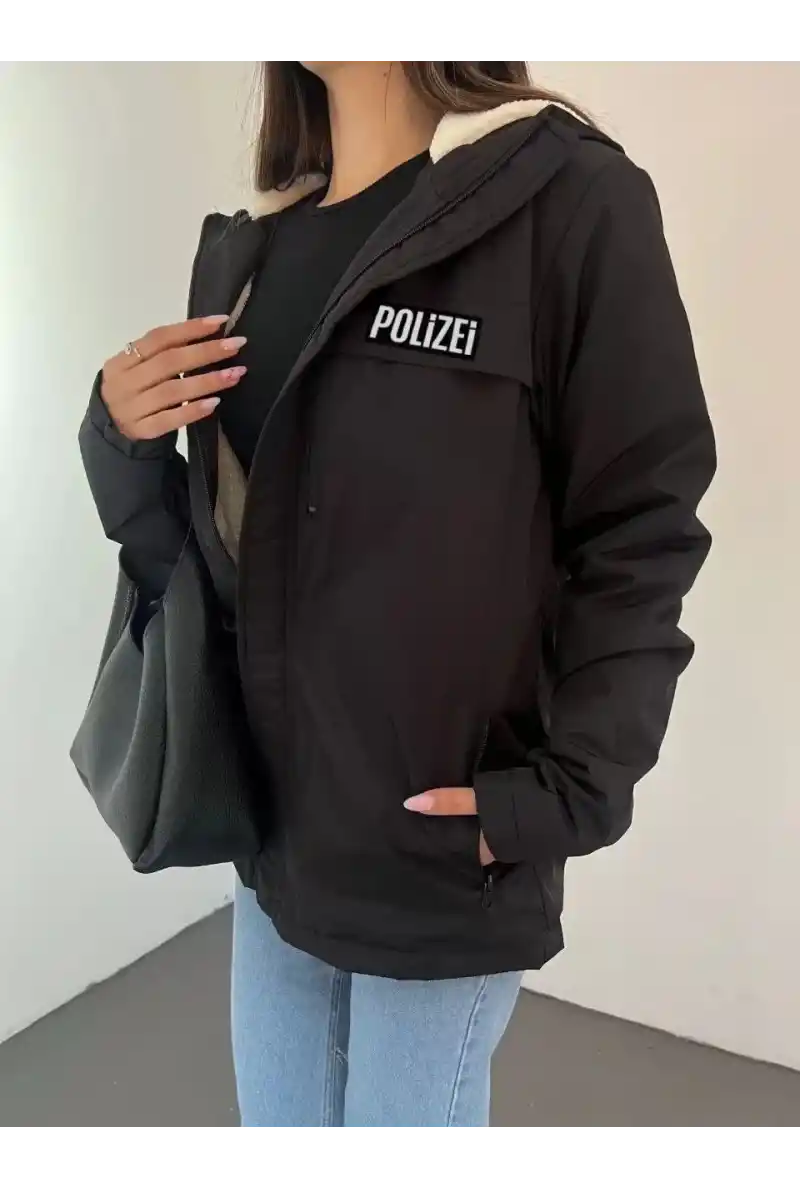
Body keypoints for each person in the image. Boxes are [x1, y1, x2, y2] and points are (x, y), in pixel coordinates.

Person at [79, 59, 716, 1129]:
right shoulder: (256, 247)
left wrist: (562, 795)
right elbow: (209, 565)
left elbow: (640, 528)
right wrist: (118, 439)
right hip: (271, 841)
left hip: (438, 850)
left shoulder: (564, 198)